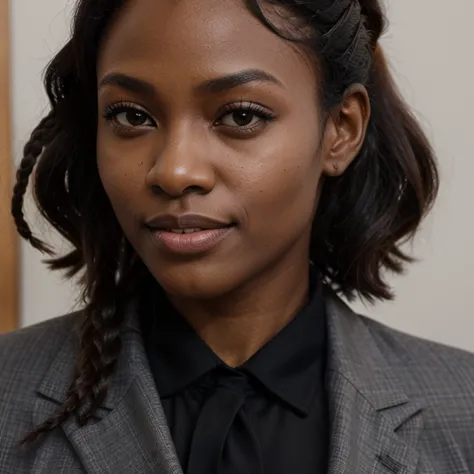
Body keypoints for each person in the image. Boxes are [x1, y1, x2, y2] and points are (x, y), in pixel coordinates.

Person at [1, 0, 473, 472]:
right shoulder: (8, 393)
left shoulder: (461, 409)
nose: (175, 170)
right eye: (131, 116)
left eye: (242, 117)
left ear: (340, 130)